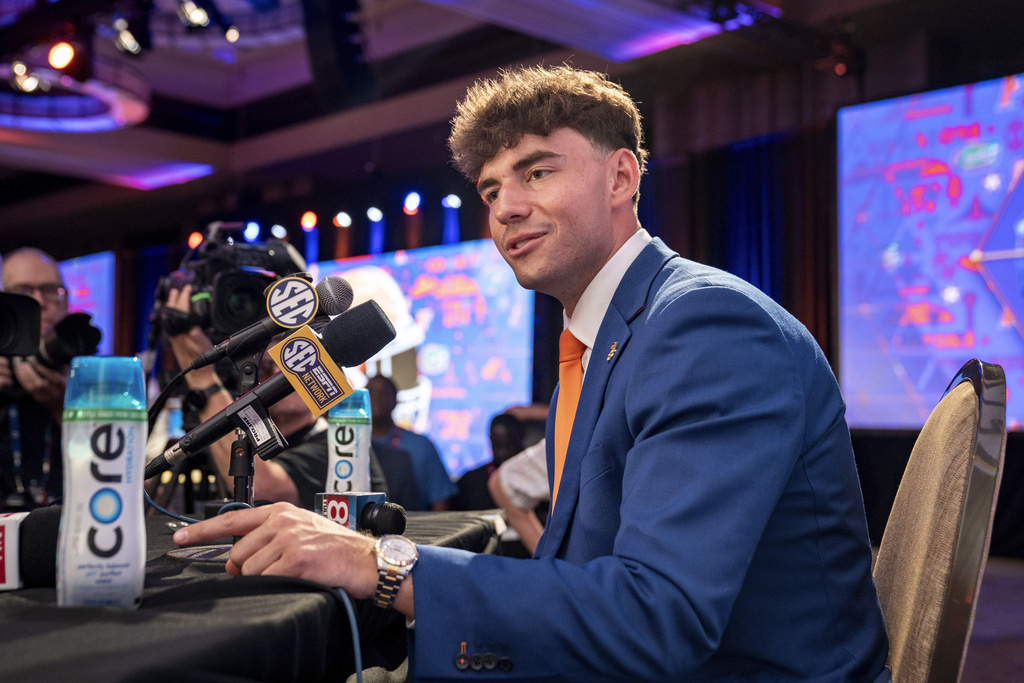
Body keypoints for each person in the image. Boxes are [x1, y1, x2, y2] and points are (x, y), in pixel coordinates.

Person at [173, 65, 890, 680]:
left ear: (621, 176)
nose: (507, 208)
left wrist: (381, 563)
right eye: (490, 191)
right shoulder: (605, 337)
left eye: (538, 172)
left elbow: (659, 615)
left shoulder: (704, 326)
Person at [162, 285, 389, 509]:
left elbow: (264, 490)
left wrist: (203, 381)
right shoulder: (235, 442)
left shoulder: (339, 445)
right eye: (267, 366)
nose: (281, 374)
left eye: (295, 361)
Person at [0, 248, 72, 510]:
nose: (40, 301)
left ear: (66, 302)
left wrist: (67, 409)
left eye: (51, 290)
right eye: (23, 291)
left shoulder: (91, 376)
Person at [366, 374, 456, 512]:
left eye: (383, 393)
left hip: (413, 523)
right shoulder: (349, 445)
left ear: (395, 401)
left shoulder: (421, 445)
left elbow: (440, 501)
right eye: (370, 392)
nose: (376, 397)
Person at [452, 412, 524, 511]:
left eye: (508, 446)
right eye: (497, 446)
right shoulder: (470, 482)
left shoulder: (536, 478)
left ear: (522, 439)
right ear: (490, 441)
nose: (502, 454)